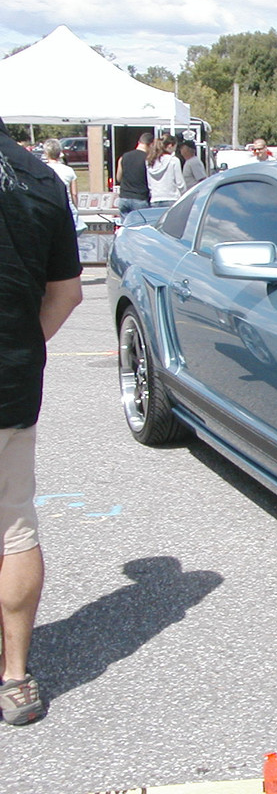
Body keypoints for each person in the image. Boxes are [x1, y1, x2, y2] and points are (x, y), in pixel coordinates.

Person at [0, 116, 83, 726]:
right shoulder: (41, 177)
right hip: (11, 377)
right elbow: (69, 292)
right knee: (15, 527)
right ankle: (15, 676)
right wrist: (28, 344)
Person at [40, 139, 85, 235]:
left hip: (49, 207)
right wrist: (76, 207)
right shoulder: (69, 171)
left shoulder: (42, 169)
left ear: (46, 153)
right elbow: (74, 193)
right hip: (67, 207)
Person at [115, 132, 152, 219]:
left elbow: (118, 178)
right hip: (140, 198)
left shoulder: (123, 157)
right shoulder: (148, 159)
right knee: (140, 228)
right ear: (150, 145)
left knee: (126, 227)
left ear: (139, 142)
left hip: (124, 197)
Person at [145, 135, 185, 208]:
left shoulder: (150, 161)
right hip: (172, 198)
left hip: (155, 198)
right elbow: (180, 183)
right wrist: (184, 193)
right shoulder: (174, 160)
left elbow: (149, 184)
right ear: (170, 146)